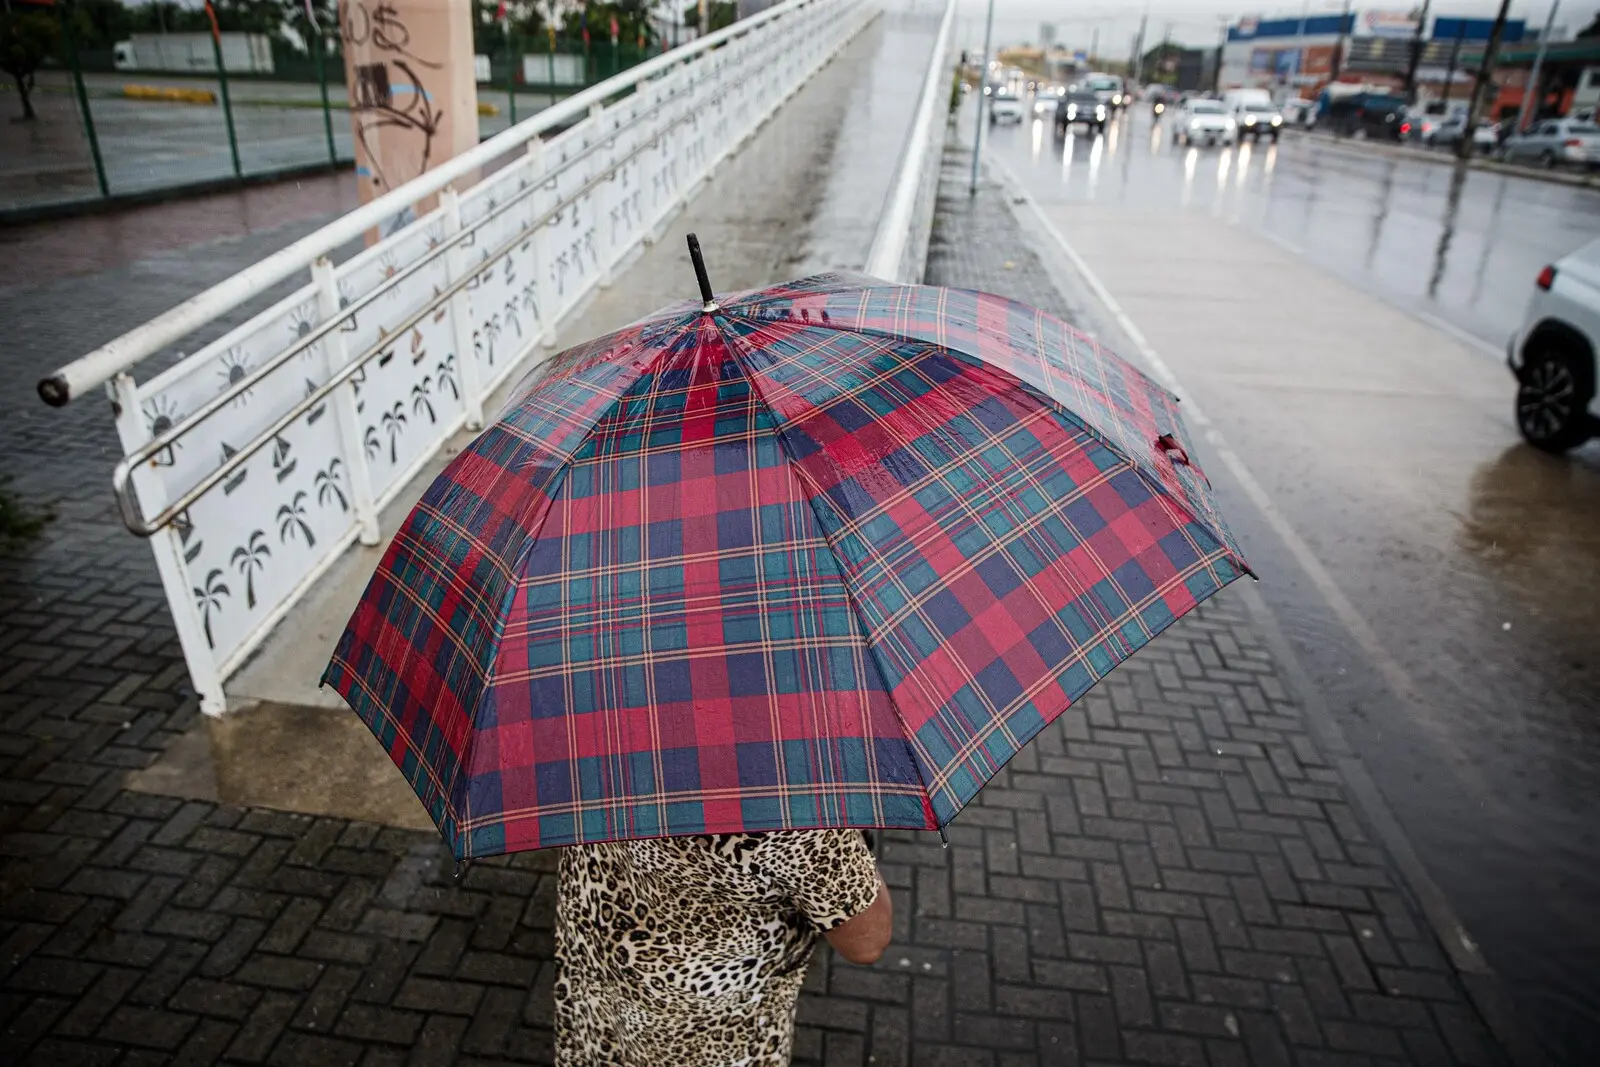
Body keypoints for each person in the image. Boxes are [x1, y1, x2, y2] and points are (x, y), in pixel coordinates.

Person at [553, 829, 893, 1066]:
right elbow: (866, 940)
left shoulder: (597, 733)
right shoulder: (791, 805)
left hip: (598, 931)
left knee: (603, 1046)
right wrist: (854, 845)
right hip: (706, 1018)